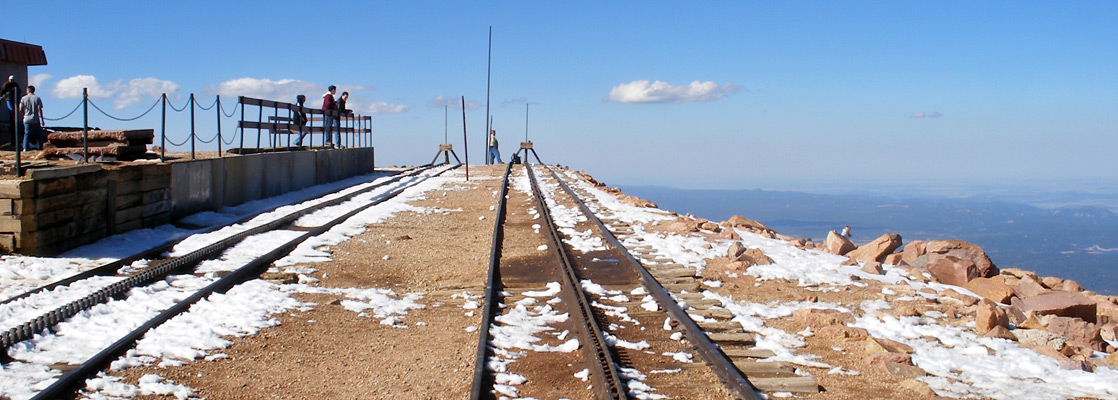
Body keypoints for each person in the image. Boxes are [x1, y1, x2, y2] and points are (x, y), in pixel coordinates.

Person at [19, 85, 44, 151]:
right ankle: (41, 147)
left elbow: (20, 109)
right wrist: (42, 119)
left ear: (27, 90)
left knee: (27, 133)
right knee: (38, 134)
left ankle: (25, 148)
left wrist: (23, 114)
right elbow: (39, 109)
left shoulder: (23, 98)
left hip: (27, 119)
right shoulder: (37, 98)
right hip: (35, 119)